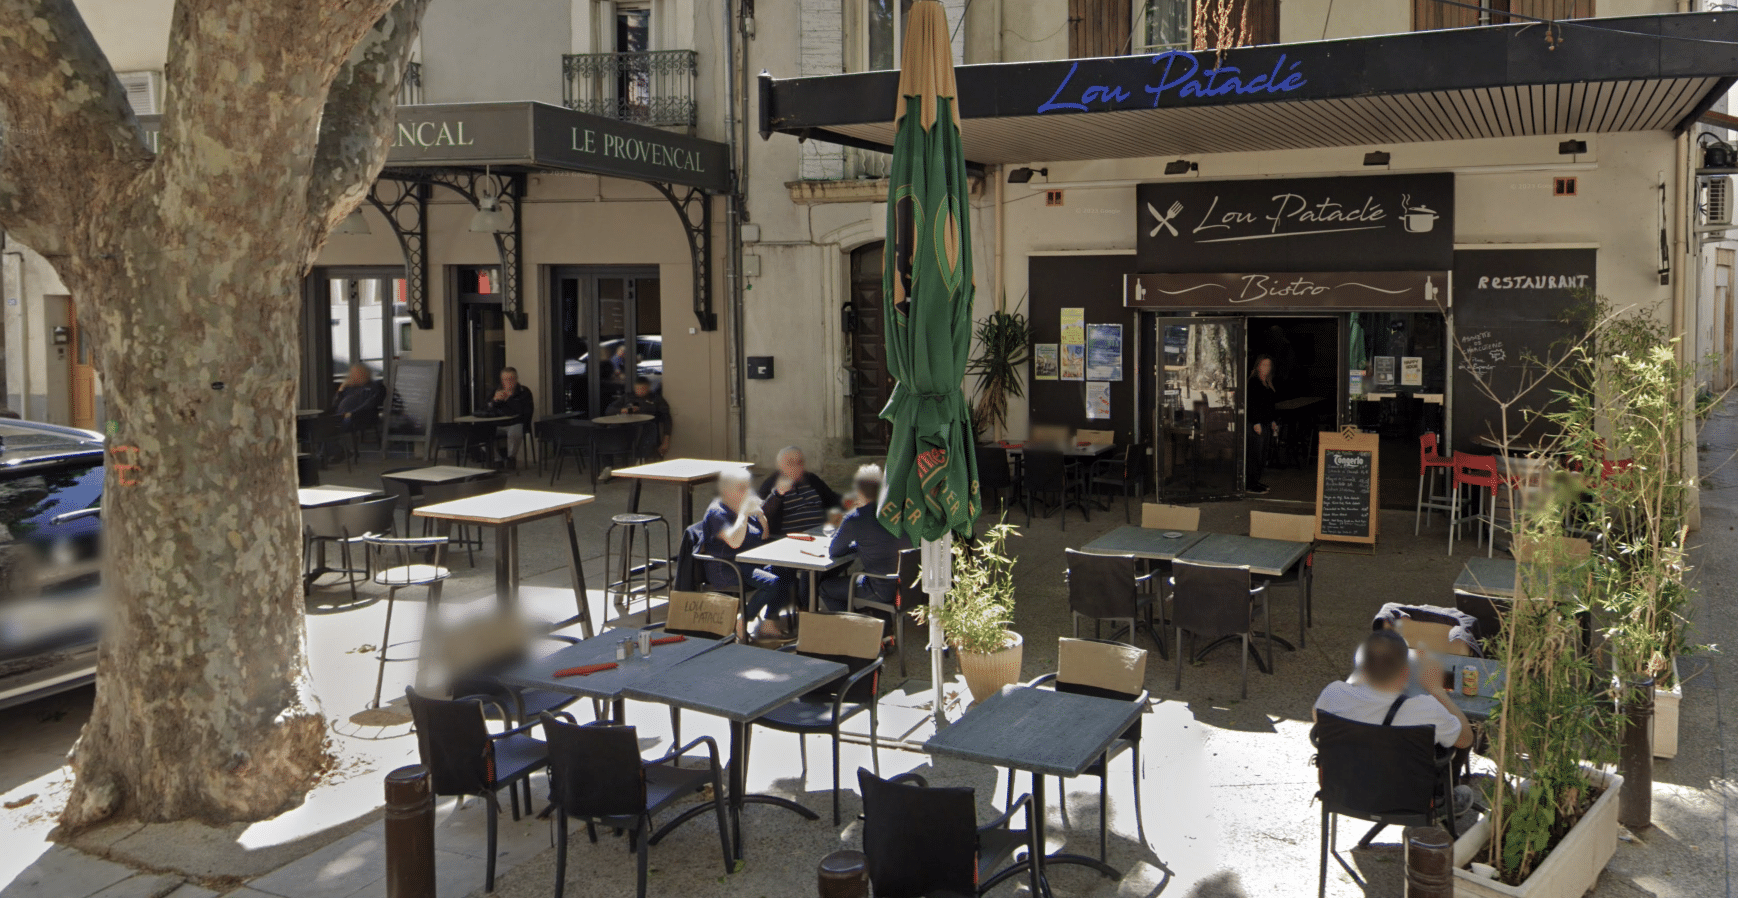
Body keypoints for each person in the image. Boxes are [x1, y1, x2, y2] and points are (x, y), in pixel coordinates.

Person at [1314, 630, 1477, 815]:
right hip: (1411, 800)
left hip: (1345, 792)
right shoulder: (1427, 709)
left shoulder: (1333, 693)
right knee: (1451, 733)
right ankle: (1444, 799)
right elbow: (1466, 738)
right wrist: (1436, 690)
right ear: (1406, 672)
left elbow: (1318, 719)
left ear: (1362, 668)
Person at [700, 468, 797, 642]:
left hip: (749, 562)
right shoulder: (717, 512)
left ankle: (769, 623)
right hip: (728, 567)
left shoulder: (739, 503)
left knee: (787, 572)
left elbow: (764, 532)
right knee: (773, 583)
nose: (747, 492)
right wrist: (744, 514)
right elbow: (734, 542)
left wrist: (762, 517)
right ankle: (742, 622)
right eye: (742, 488)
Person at [818, 465, 912, 615]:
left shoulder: (856, 517)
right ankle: (882, 625)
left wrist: (855, 542)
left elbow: (834, 551)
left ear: (859, 492)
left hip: (882, 590)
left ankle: (855, 626)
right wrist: (860, 544)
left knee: (825, 588)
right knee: (866, 576)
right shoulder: (898, 510)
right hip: (907, 587)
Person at [757, 446, 841, 535]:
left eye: (800, 462)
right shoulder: (771, 484)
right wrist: (778, 494)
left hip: (822, 532)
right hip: (791, 538)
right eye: (790, 463)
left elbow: (834, 500)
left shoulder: (812, 479)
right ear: (780, 466)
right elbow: (761, 515)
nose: (796, 467)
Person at [479, 366, 534, 467]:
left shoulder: (524, 392)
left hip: (515, 423)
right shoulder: (496, 390)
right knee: (480, 434)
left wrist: (507, 399)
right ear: (502, 380)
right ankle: (497, 459)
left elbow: (523, 411)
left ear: (516, 379)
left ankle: (511, 458)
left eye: (511, 379)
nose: (509, 382)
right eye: (505, 379)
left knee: (515, 431)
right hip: (497, 424)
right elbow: (484, 408)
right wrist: (494, 400)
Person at [605, 376, 672, 458]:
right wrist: (625, 410)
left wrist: (666, 442)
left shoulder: (656, 399)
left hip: (647, 430)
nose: (640, 391)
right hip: (626, 429)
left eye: (643, 388)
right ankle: (611, 461)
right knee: (610, 429)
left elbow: (667, 419)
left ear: (648, 388)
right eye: (638, 388)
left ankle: (642, 458)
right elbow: (609, 411)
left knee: (650, 427)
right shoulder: (628, 397)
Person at [1245, 355, 1277, 494]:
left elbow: (1269, 405)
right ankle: (1250, 484)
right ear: (1258, 366)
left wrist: (1273, 421)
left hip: (1265, 423)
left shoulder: (1268, 382)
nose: (1266, 368)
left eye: (1268, 365)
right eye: (1263, 365)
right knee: (1255, 454)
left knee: (1263, 455)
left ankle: (1256, 480)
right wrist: (1255, 422)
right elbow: (1251, 404)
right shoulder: (1254, 382)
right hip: (1256, 424)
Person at [329, 364, 386, 433]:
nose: (353, 376)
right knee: (322, 421)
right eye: (352, 373)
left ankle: (342, 438)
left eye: (357, 373)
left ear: (365, 374)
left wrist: (352, 413)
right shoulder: (350, 387)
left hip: (362, 415)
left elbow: (370, 403)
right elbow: (335, 404)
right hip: (341, 415)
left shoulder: (374, 386)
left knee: (346, 421)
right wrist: (340, 390)